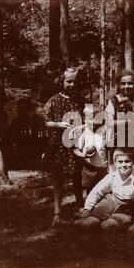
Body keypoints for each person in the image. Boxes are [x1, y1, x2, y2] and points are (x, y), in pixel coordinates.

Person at [42, 67, 85, 227]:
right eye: (68, 81)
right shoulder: (54, 100)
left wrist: (83, 126)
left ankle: (81, 208)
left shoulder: (80, 100)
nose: (71, 84)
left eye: (74, 81)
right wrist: (58, 124)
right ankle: (57, 213)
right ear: (62, 81)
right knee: (58, 180)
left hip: (76, 144)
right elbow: (46, 122)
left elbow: (87, 118)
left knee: (77, 178)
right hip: (58, 145)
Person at [74, 149, 134, 232]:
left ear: (133, 163)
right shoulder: (112, 175)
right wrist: (87, 209)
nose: (124, 165)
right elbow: (96, 191)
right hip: (109, 202)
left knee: (107, 226)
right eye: (120, 162)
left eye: (127, 161)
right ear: (115, 163)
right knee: (89, 224)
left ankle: (113, 223)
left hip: (126, 208)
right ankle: (82, 220)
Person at [105, 69, 134, 171]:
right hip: (117, 142)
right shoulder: (113, 101)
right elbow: (110, 123)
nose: (126, 86)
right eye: (123, 84)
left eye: (130, 83)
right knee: (117, 172)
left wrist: (132, 111)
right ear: (118, 85)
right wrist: (131, 120)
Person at [74, 105, 108, 203]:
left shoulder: (104, 130)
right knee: (89, 189)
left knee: (102, 189)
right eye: (90, 118)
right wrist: (83, 155)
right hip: (89, 166)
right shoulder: (85, 133)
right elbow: (76, 149)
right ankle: (88, 207)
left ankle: (99, 208)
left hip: (103, 167)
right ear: (84, 119)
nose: (93, 121)